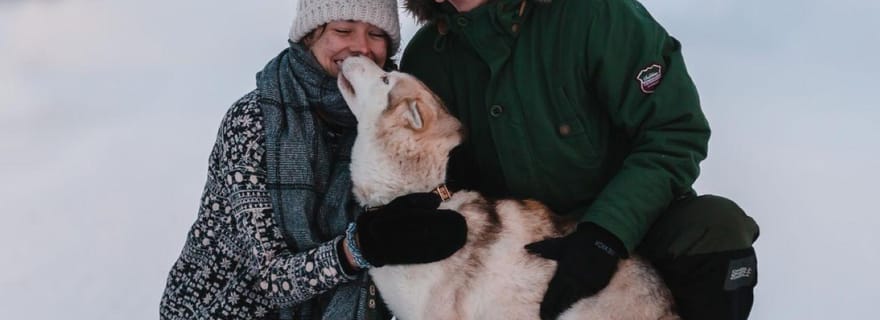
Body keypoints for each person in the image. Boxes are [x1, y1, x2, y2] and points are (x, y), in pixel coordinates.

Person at [399, 0, 760, 319]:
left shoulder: (594, 13)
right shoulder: (427, 60)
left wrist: (605, 233)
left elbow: (675, 133)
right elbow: (431, 180)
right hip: (519, 255)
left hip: (632, 229)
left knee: (716, 229)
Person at [159, 1, 467, 319]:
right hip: (223, 307)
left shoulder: (394, 116)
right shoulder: (253, 121)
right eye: (343, 30)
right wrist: (359, 248)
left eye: (375, 33)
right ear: (311, 35)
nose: (361, 46)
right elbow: (269, 280)